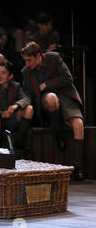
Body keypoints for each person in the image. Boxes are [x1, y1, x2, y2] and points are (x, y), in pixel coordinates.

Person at [20, 41, 85, 181]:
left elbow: (68, 78)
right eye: (25, 61)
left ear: (38, 56)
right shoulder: (26, 72)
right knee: (51, 98)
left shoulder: (54, 58)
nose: (27, 64)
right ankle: (57, 130)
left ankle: (78, 168)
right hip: (46, 101)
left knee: (78, 124)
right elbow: (30, 93)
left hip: (65, 94)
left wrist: (46, 84)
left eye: (29, 60)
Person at [0, 61, 33, 151]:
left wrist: (15, 106)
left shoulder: (16, 86)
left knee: (29, 109)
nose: (0, 75)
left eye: (3, 73)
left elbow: (27, 99)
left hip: (11, 119)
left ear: (10, 76)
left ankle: (19, 140)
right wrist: (2, 114)